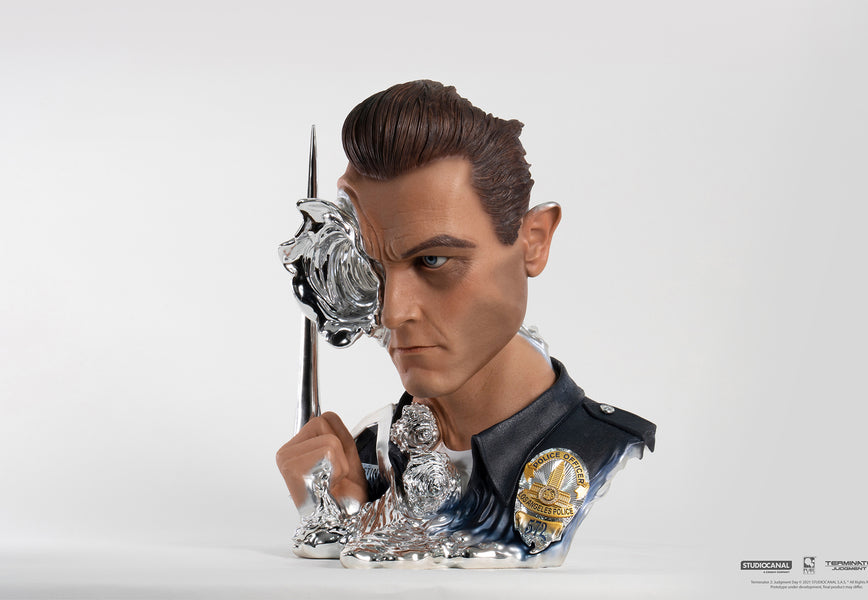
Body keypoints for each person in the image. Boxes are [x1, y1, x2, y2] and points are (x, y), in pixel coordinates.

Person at [276, 80, 655, 566]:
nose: (392, 312)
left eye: (433, 260)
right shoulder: (368, 451)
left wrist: (352, 524)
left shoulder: (593, 447)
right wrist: (338, 509)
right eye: (370, 266)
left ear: (534, 241)